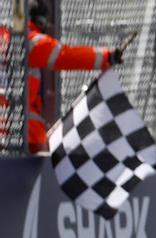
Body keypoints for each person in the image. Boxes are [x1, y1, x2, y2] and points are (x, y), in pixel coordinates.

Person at [24, 0, 123, 153]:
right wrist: (106, 57)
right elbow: (65, 56)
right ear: (39, 20)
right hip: (25, 133)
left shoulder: (5, 37)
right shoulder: (31, 42)